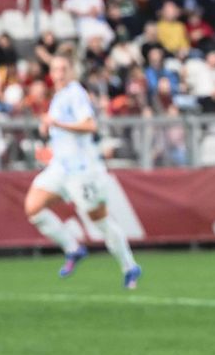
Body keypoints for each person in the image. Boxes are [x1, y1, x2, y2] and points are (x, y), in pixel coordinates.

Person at [23, 54, 142, 289]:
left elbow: (90, 125)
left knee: (101, 222)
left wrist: (57, 124)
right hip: (60, 168)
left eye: (63, 69)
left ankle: (129, 266)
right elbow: (61, 131)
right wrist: (48, 129)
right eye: (55, 69)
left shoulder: (76, 93)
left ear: (71, 71)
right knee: (33, 207)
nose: (59, 73)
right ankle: (73, 248)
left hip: (82, 171)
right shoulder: (58, 96)